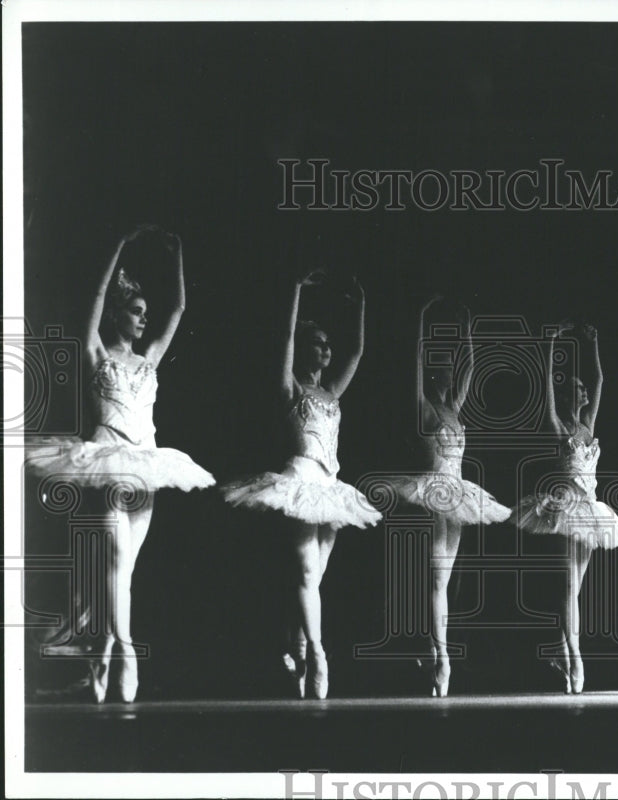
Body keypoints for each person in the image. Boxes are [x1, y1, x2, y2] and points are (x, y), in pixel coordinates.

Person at [26, 225, 215, 703]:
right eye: (135, 311)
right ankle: (126, 649)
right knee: (113, 559)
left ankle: (102, 650)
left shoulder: (150, 359)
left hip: (147, 462)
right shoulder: (95, 353)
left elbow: (180, 310)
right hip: (106, 461)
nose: (143, 320)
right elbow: (92, 297)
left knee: (122, 572)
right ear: (116, 311)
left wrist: (177, 256)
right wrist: (118, 246)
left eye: (144, 314)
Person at [220, 269, 381, 699]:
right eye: (318, 343)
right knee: (308, 574)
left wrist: (360, 305)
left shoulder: (332, 392)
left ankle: (294, 645)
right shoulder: (290, 388)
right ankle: (319, 654)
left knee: (312, 578)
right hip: (299, 481)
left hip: (332, 487)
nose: (326, 350)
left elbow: (359, 351)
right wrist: (293, 290)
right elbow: (284, 340)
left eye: (328, 344)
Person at [388, 298, 510, 697]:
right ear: (430, 371)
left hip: (458, 492)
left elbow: (470, 370)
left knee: (444, 581)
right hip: (431, 489)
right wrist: (420, 317)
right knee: (436, 580)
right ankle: (440, 656)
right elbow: (412, 365)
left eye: (448, 365)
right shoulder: (422, 407)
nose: (446, 370)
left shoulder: (453, 409)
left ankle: (435, 649)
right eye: (439, 364)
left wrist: (468, 332)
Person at [514, 323, 618, 694]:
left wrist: (593, 343)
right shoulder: (557, 426)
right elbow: (547, 393)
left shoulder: (587, 425)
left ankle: (561, 652)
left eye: (583, 389)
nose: (583, 391)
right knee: (568, 587)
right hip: (565, 508)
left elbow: (600, 380)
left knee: (574, 590)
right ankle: (576, 659)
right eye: (577, 387)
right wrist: (550, 344)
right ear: (569, 393)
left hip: (591, 508)